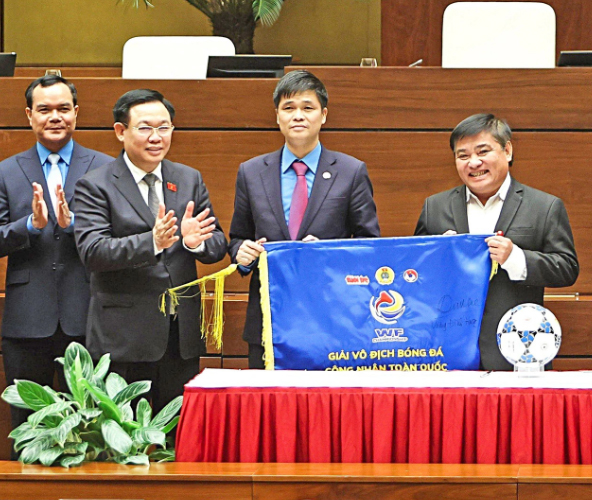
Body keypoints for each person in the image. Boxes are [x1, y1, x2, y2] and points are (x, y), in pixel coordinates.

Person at [73, 89, 227, 410]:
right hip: (125, 338)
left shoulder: (188, 178)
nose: (156, 137)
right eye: (145, 128)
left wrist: (193, 242)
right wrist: (153, 242)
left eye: (164, 127)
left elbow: (216, 245)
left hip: (179, 337)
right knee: (125, 443)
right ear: (121, 131)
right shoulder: (95, 184)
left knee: (178, 437)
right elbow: (93, 251)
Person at [228, 70, 380, 369]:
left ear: (323, 115)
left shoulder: (350, 171)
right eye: (289, 108)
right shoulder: (251, 172)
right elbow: (237, 238)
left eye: (307, 108)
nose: (298, 116)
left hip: (332, 320)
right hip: (268, 320)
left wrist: (327, 254)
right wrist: (241, 254)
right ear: (277, 117)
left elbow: (370, 245)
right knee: (269, 411)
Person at [414, 113, 579, 370]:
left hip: (517, 352)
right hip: (448, 353)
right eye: (463, 155)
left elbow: (567, 269)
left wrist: (516, 258)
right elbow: (416, 275)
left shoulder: (543, 206)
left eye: (483, 151)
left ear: (508, 150)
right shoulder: (434, 207)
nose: (474, 162)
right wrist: (438, 255)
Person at [0, 75, 111, 433]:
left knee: (90, 423)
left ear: (76, 114)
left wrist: (75, 222)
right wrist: (30, 225)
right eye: (44, 109)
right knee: (28, 423)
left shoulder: (106, 168)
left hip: (89, 313)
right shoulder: (5, 171)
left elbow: (118, 236)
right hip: (27, 318)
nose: (55, 117)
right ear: (29, 115)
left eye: (64, 109)